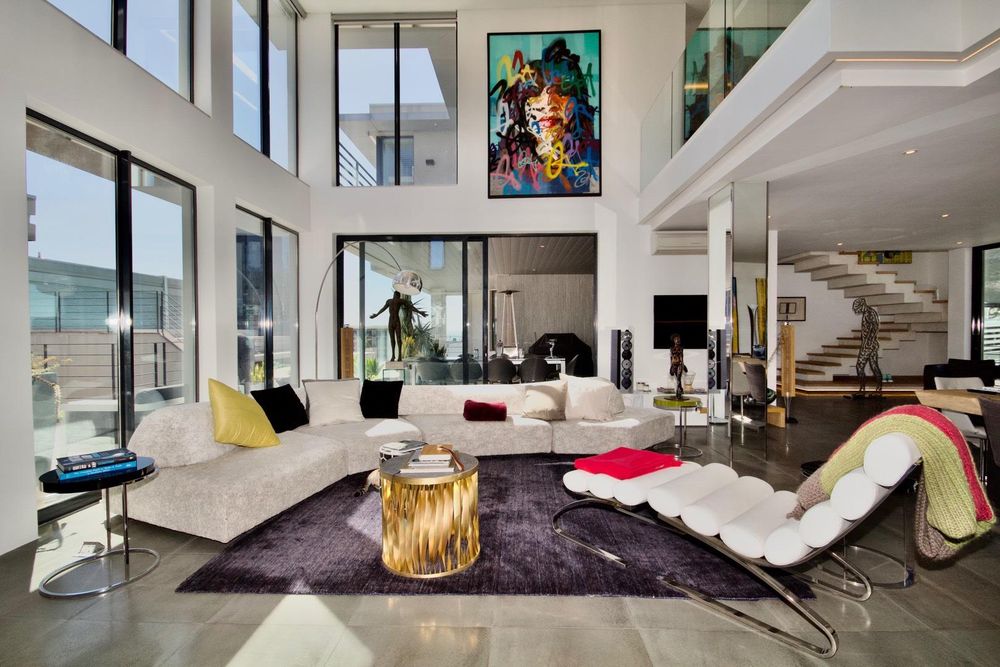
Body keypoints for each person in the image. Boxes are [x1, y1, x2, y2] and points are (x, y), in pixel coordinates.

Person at [489, 37, 600, 196]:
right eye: (534, 92)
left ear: (576, 101)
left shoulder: (595, 161)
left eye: (560, 91)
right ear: (521, 104)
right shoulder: (500, 167)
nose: (549, 103)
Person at [370, 291, 427, 362]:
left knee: (397, 339)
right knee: (394, 339)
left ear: (395, 295)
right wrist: (376, 315)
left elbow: (410, 307)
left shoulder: (396, 301)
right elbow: (383, 308)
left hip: (394, 321)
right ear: (398, 295)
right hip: (393, 321)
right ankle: (394, 355)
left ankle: (399, 355)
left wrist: (376, 315)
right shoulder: (392, 301)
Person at [852, 297, 883, 395]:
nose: (857, 311)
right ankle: (879, 389)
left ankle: (863, 389)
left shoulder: (869, 313)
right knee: (874, 366)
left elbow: (874, 329)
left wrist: (866, 344)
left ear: (862, 306)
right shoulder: (869, 312)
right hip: (871, 344)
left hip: (868, 345)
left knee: (859, 366)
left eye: (857, 309)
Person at [668, 334, 687, 399]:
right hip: (674, 365)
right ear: (674, 340)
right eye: (676, 339)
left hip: (679, 364)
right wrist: (671, 366)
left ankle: (678, 392)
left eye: (678, 339)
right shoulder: (671, 348)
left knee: (678, 378)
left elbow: (682, 356)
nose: (677, 340)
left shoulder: (681, 348)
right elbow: (671, 357)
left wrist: (683, 365)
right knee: (678, 379)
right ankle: (680, 389)